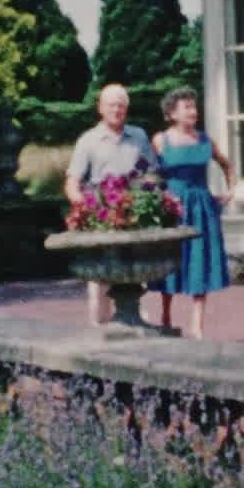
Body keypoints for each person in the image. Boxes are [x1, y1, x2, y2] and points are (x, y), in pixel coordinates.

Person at [64, 82, 156, 324]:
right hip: (100, 211)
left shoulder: (138, 136)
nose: (116, 110)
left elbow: (152, 174)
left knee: (138, 267)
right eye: (111, 105)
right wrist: (85, 206)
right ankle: (99, 320)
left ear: (126, 109)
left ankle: (135, 317)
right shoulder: (88, 140)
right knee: (101, 274)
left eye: (121, 105)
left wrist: (148, 196)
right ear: (100, 109)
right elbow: (72, 183)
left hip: (134, 209)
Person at [150, 86, 234, 339]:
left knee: (200, 258)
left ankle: (197, 323)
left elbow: (225, 163)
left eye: (194, 107)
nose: (193, 112)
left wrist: (230, 190)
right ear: (172, 113)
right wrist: (157, 196)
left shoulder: (206, 140)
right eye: (186, 107)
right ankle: (166, 315)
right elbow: (148, 174)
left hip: (201, 207)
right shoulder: (160, 141)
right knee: (172, 259)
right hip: (172, 206)